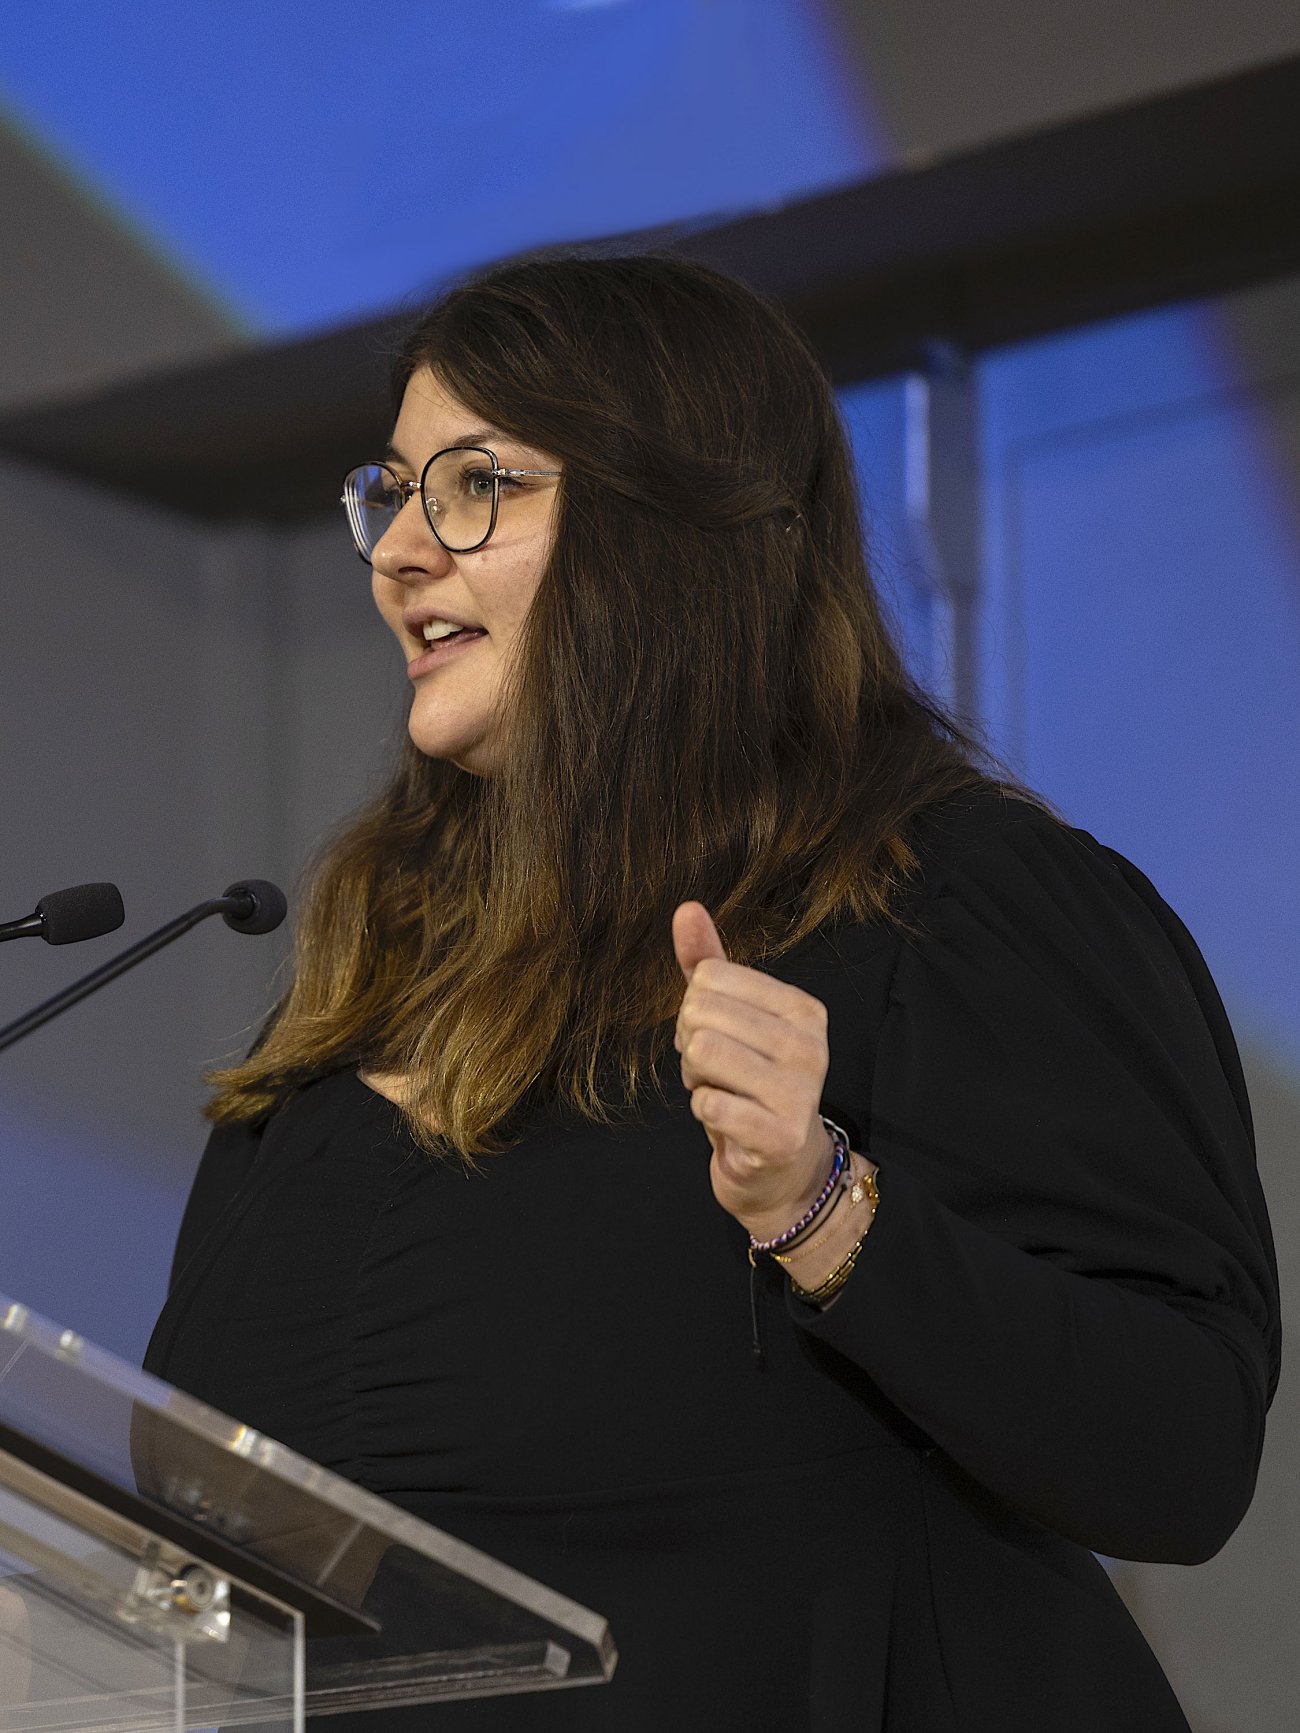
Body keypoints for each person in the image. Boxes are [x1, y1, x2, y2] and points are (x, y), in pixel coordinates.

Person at [143, 253, 1281, 1732]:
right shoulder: (361, 989)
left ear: (671, 530)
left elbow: (1179, 1454)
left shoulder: (946, 906)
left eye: (477, 485)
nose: (399, 553)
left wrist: (825, 1211)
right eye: (395, 493)